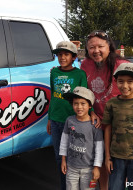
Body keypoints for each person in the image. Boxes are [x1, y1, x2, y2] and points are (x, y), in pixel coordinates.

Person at [80, 30, 133, 190]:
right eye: (91, 47)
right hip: (98, 124)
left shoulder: (121, 65)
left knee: (120, 166)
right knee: (101, 162)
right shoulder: (85, 64)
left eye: (100, 46)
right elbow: (83, 91)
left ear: (109, 47)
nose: (95, 50)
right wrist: (90, 111)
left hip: (120, 126)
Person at [47, 41, 100, 190]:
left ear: (74, 57)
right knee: (60, 157)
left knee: (77, 156)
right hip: (56, 120)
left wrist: (91, 113)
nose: (62, 57)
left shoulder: (79, 74)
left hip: (73, 121)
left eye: (66, 54)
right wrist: (49, 118)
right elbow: (53, 95)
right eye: (59, 54)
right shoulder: (54, 72)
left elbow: (85, 97)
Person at [60, 86, 104, 190]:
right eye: (76, 103)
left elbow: (99, 148)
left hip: (88, 169)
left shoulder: (95, 125)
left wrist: (97, 167)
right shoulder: (69, 121)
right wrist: (63, 160)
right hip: (71, 167)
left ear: (90, 106)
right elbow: (64, 141)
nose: (79, 107)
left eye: (83, 103)